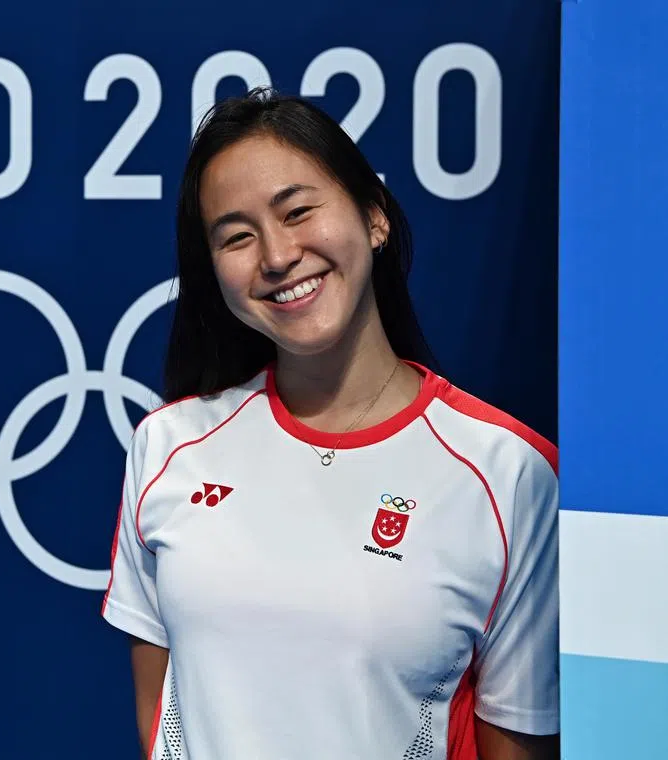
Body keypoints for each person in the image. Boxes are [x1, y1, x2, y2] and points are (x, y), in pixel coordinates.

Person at [100, 88, 559, 760]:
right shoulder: (169, 445)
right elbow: (161, 716)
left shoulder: (507, 471)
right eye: (237, 236)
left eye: (298, 211)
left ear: (374, 217)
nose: (277, 255)